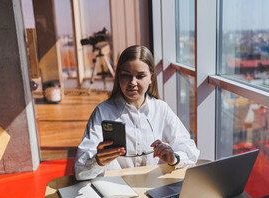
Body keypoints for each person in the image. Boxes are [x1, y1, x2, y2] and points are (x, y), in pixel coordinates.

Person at [74, 45, 200, 180]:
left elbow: (191, 151)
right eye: (126, 76)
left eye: (140, 76)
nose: (132, 82)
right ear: (118, 77)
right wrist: (97, 161)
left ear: (151, 78)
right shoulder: (102, 112)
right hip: (115, 189)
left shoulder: (161, 109)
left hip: (151, 187)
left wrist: (174, 157)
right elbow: (79, 170)